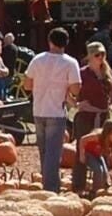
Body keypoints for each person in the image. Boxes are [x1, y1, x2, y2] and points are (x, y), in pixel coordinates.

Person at [24, 29, 82, 193]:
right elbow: (76, 89)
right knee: (53, 153)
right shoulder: (70, 63)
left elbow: (27, 85)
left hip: (38, 110)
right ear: (66, 42)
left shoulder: (37, 60)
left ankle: (47, 184)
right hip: (56, 111)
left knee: (43, 151)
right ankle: (51, 188)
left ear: (50, 41)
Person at [70, 43, 112, 196]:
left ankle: (101, 182)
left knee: (103, 148)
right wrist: (76, 104)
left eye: (103, 54)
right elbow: (68, 90)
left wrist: (111, 103)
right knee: (82, 148)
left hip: (103, 115)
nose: (101, 58)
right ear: (90, 56)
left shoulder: (107, 72)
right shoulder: (82, 73)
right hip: (85, 116)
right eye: (97, 55)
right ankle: (79, 185)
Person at [79, 119, 112, 194]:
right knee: (98, 170)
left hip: (98, 155)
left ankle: (102, 188)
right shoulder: (97, 136)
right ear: (107, 133)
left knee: (105, 173)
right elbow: (82, 140)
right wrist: (82, 155)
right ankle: (94, 192)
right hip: (88, 153)